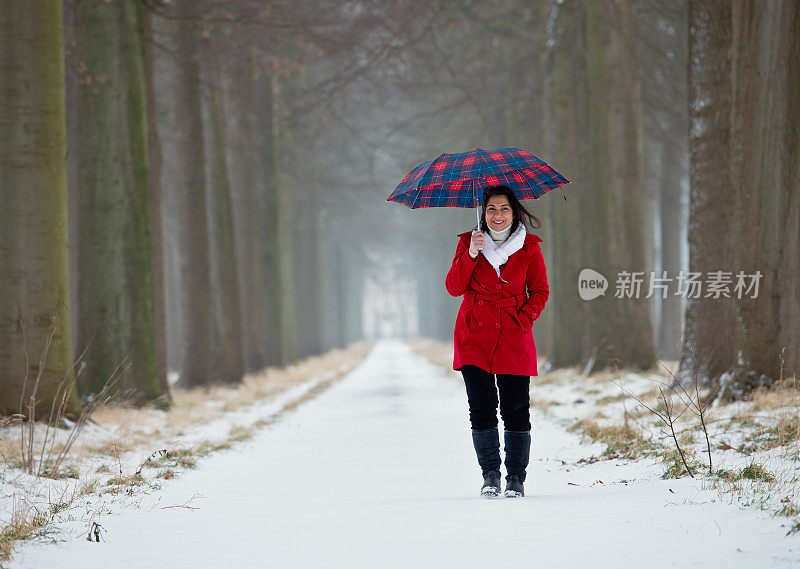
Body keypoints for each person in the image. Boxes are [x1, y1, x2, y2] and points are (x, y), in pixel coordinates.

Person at [444, 185, 549, 498]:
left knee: (516, 408)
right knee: (482, 407)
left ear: (514, 212)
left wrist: (524, 318)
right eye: (491, 209)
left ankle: (515, 477)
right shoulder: (468, 243)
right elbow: (453, 287)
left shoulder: (529, 247)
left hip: (513, 334)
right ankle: (490, 475)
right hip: (473, 335)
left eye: (504, 208)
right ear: (483, 212)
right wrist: (472, 254)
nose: (498, 215)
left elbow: (540, 291)